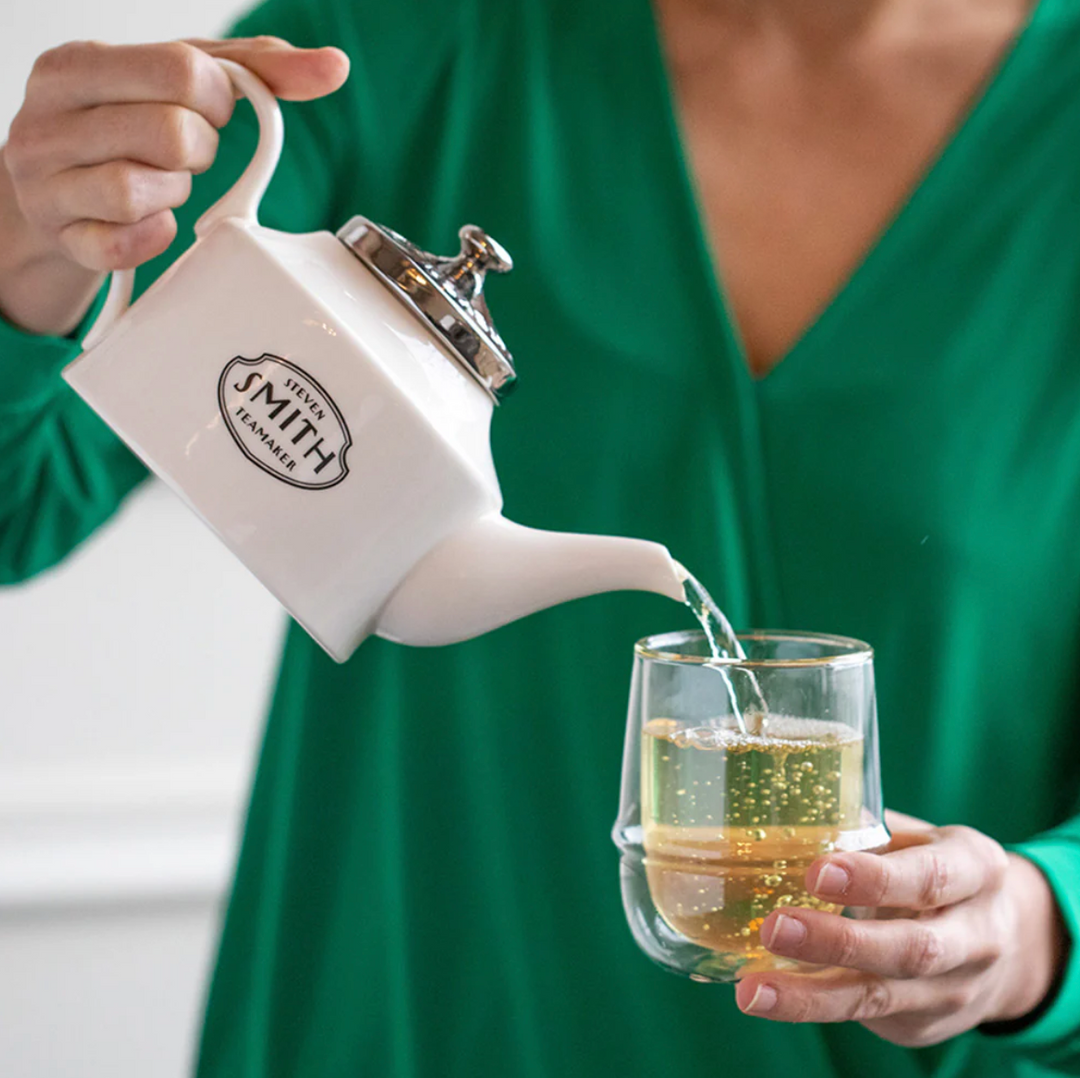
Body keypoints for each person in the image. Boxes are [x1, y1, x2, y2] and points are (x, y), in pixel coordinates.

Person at [1, 0, 1078, 1074]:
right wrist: (28, 239)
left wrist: (1037, 927)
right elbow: (23, 501)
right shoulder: (405, 45)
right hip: (398, 1027)